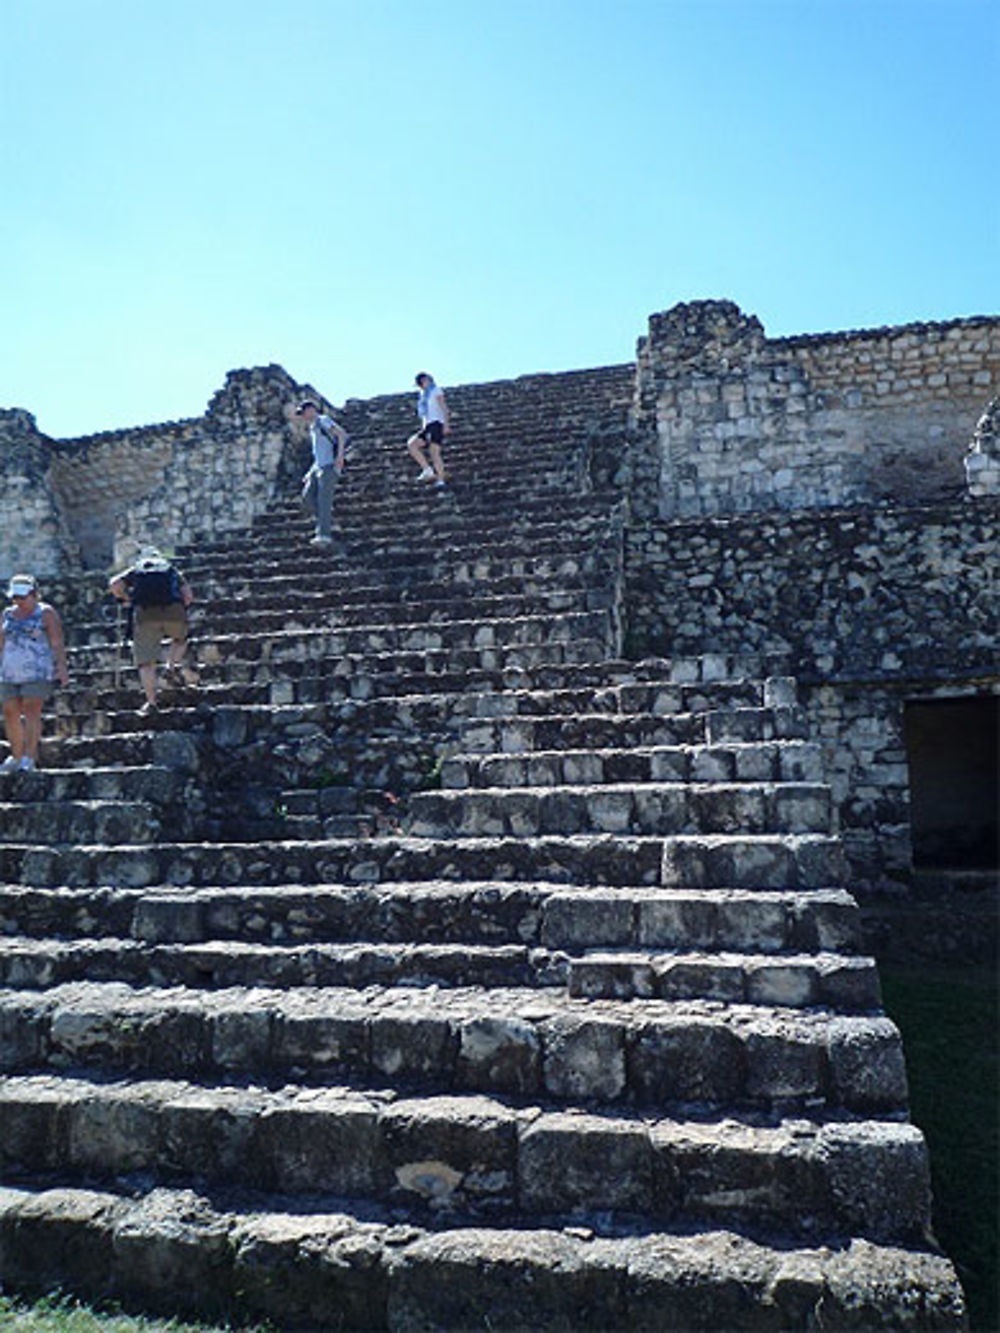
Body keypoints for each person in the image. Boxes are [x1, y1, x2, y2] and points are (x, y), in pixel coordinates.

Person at [109, 547, 194, 715]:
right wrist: (178, 607)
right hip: (173, 609)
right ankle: (171, 666)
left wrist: (126, 599)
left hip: (145, 614)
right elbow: (188, 596)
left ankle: (151, 702)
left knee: (146, 662)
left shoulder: (137, 570)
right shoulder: (171, 570)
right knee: (181, 639)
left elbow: (114, 584)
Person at [0, 573, 70, 772]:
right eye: (15, 597)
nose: (18, 601)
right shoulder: (6, 614)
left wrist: (61, 667)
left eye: (22, 597)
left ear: (34, 594)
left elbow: (57, 643)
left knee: (31, 709)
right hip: (9, 670)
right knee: (10, 711)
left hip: (37, 669)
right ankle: (16, 755)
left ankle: (29, 757)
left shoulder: (46, 613)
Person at [296, 399, 349, 546]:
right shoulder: (313, 428)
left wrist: (340, 456)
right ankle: (328, 522)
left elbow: (341, 435)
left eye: (304, 412)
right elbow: (318, 453)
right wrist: (310, 472)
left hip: (329, 466)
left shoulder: (323, 420)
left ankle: (323, 535)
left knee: (324, 501)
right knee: (307, 498)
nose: (303, 416)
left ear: (312, 409)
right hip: (318, 467)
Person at [407, 372, 450, 489]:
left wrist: (446, 425)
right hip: (427, 426)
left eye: (422, 382)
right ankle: (427, 469)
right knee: (412, 444)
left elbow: (444, 408)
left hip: (437, 424)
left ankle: (441, 479)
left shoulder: (436, 391)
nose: (421, 385)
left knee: (434, 452)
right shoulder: (423, 396)